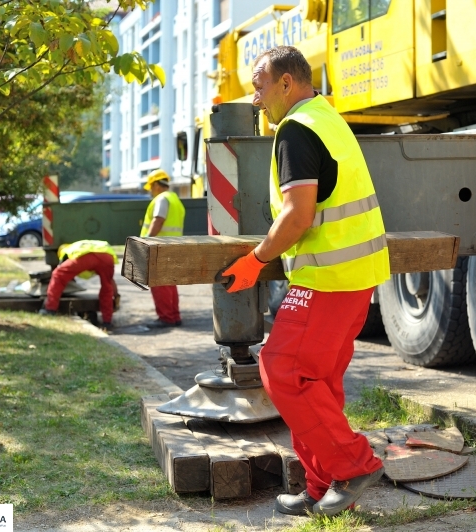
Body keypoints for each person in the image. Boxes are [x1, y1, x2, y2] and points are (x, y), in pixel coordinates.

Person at [218, 46, 389, 516]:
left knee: (282, 370)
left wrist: (255, 260)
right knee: (317, 381)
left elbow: (297, 215)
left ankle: (354, 465)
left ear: (286, 84)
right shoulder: (325, 117)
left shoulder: (296, 130)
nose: (256, 98)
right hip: (354, 274)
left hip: (329, 277)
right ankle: (322, 487)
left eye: (259, 86)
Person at [40, 240, 119, 329]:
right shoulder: (83, 245)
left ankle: (50, 309)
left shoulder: (67, 251)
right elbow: (111, 282)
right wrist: (116, 295)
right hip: (107, 257)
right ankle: (107, 323)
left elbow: (63, 274)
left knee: (58, 274)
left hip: (87, 257)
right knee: (107, 286)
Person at [141, 169, 185, 327]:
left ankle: (166, 318)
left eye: (151, 187)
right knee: (170, 283)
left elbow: (158, 220)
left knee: (159, 284)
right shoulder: (175, 199)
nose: (151, 191)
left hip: (159, 247)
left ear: (157, 185)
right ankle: (174, 316)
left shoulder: (162, 199)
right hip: (171, 246)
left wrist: (146, 241)